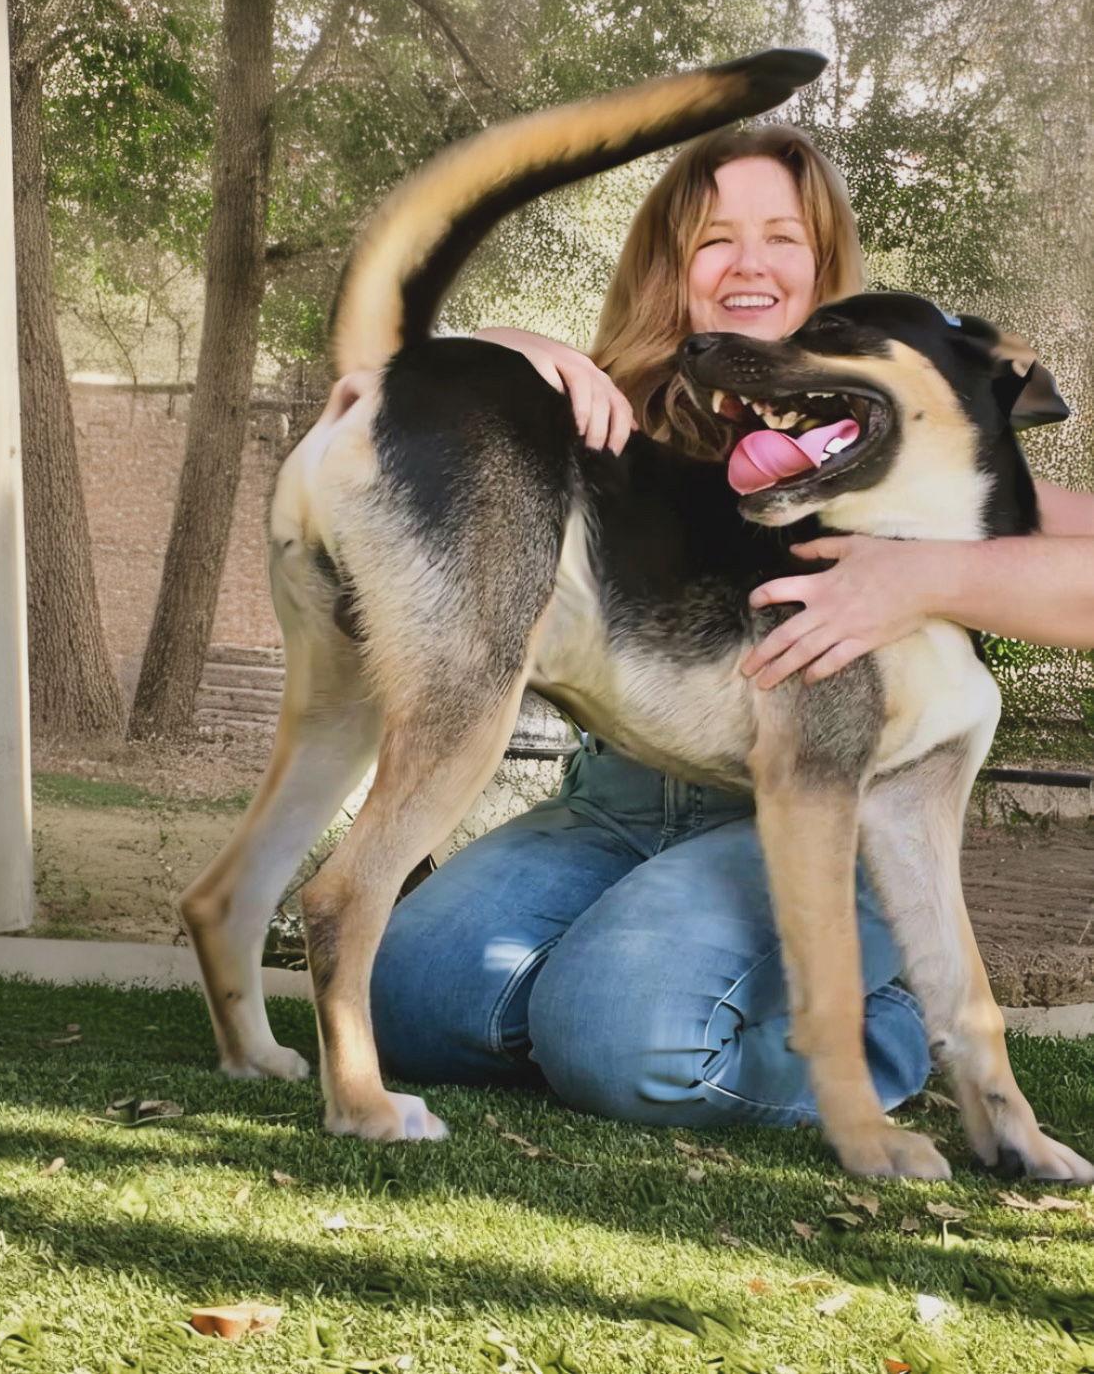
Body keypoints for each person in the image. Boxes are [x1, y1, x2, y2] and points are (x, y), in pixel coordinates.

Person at [367, 123, 1094, 1130]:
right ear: (673, 265)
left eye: (781, 237)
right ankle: (642, 988)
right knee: (407, 998)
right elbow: (411, 435)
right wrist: (502, 350)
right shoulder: (605, 416)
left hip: (811, 814)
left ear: (822, 265)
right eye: (714, 239)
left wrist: (922, 575)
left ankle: (871, 1026)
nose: (747, 262)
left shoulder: (907, 451)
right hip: (615, 808)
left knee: (622, 1038)